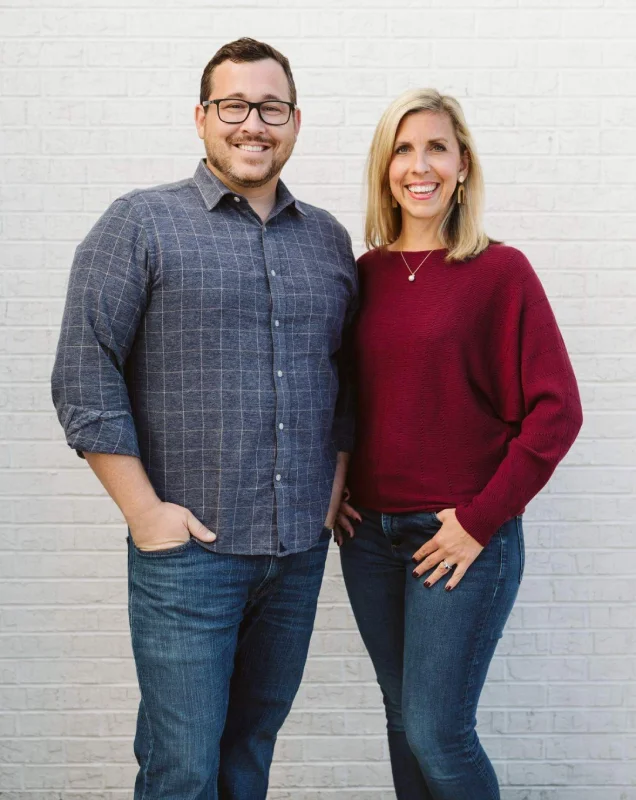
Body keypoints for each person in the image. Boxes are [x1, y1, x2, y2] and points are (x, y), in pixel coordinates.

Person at [51, 38, 357, 799]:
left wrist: (331, 488)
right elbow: (84, 372)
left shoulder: (327, 239)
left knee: (248, 753)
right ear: (202, 117)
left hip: (296, 551)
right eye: (234, 105)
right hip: (189, 556)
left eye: (271, 108)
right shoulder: (141, 223)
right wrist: (144, 513)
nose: (253, 123)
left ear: (295, 121)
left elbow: (348, 377)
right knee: (182, 767)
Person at [334, 89, 583, 800]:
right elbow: (344, 396)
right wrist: (335, 487)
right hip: (368, 539)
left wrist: (479, 521)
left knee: (438, 733)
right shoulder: (363, 275)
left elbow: (557, 412)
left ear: (463, 164)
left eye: (437, 148)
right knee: (402, 721)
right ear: (385, 169)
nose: (420, 166)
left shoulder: (502, 272)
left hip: (459, 536)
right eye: (403, 150)